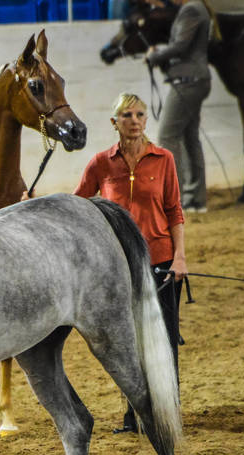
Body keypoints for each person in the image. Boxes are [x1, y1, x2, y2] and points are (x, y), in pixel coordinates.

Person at [74, 93, 188, 434]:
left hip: (162, 261)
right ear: (114, 122)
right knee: (129, 339)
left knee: (164, 338)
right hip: (119, 267)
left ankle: (169, 412)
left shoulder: (163, 159)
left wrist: (180, 256)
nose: (134, 120)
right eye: (126, 115)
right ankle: (134, 414)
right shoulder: (100, 163)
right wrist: (35, 203)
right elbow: (77, 205)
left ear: (146, 120)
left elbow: (174, 211)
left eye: (140, 114)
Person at [145, 0, 214, 213]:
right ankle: (196, 199)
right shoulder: (198, 8)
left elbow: (181, 46)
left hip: (188, 81)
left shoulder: (191, 9)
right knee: (189, 138)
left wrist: (155, 56)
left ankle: (176, 200)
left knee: (168, 136)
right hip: (195, 79)